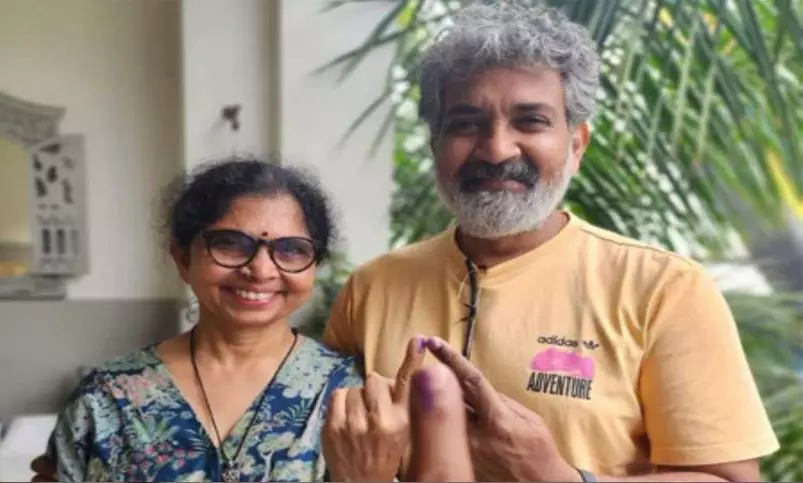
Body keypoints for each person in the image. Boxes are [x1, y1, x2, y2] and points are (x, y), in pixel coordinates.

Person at [320, 3, 779, 482]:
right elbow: (328, 453)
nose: (497, 149)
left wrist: (556, 476)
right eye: (466, 123)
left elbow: (729, 478)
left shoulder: (662, 288)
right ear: (435, 143)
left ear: (576, 144)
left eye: (531, 121)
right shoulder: (372, 288)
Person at [35, 158, 422, 482]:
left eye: (290, 250)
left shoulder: (349, 400)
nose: (260, 270)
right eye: (231, 244)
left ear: (313, 267)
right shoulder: (106, 400)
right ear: (183, 258)